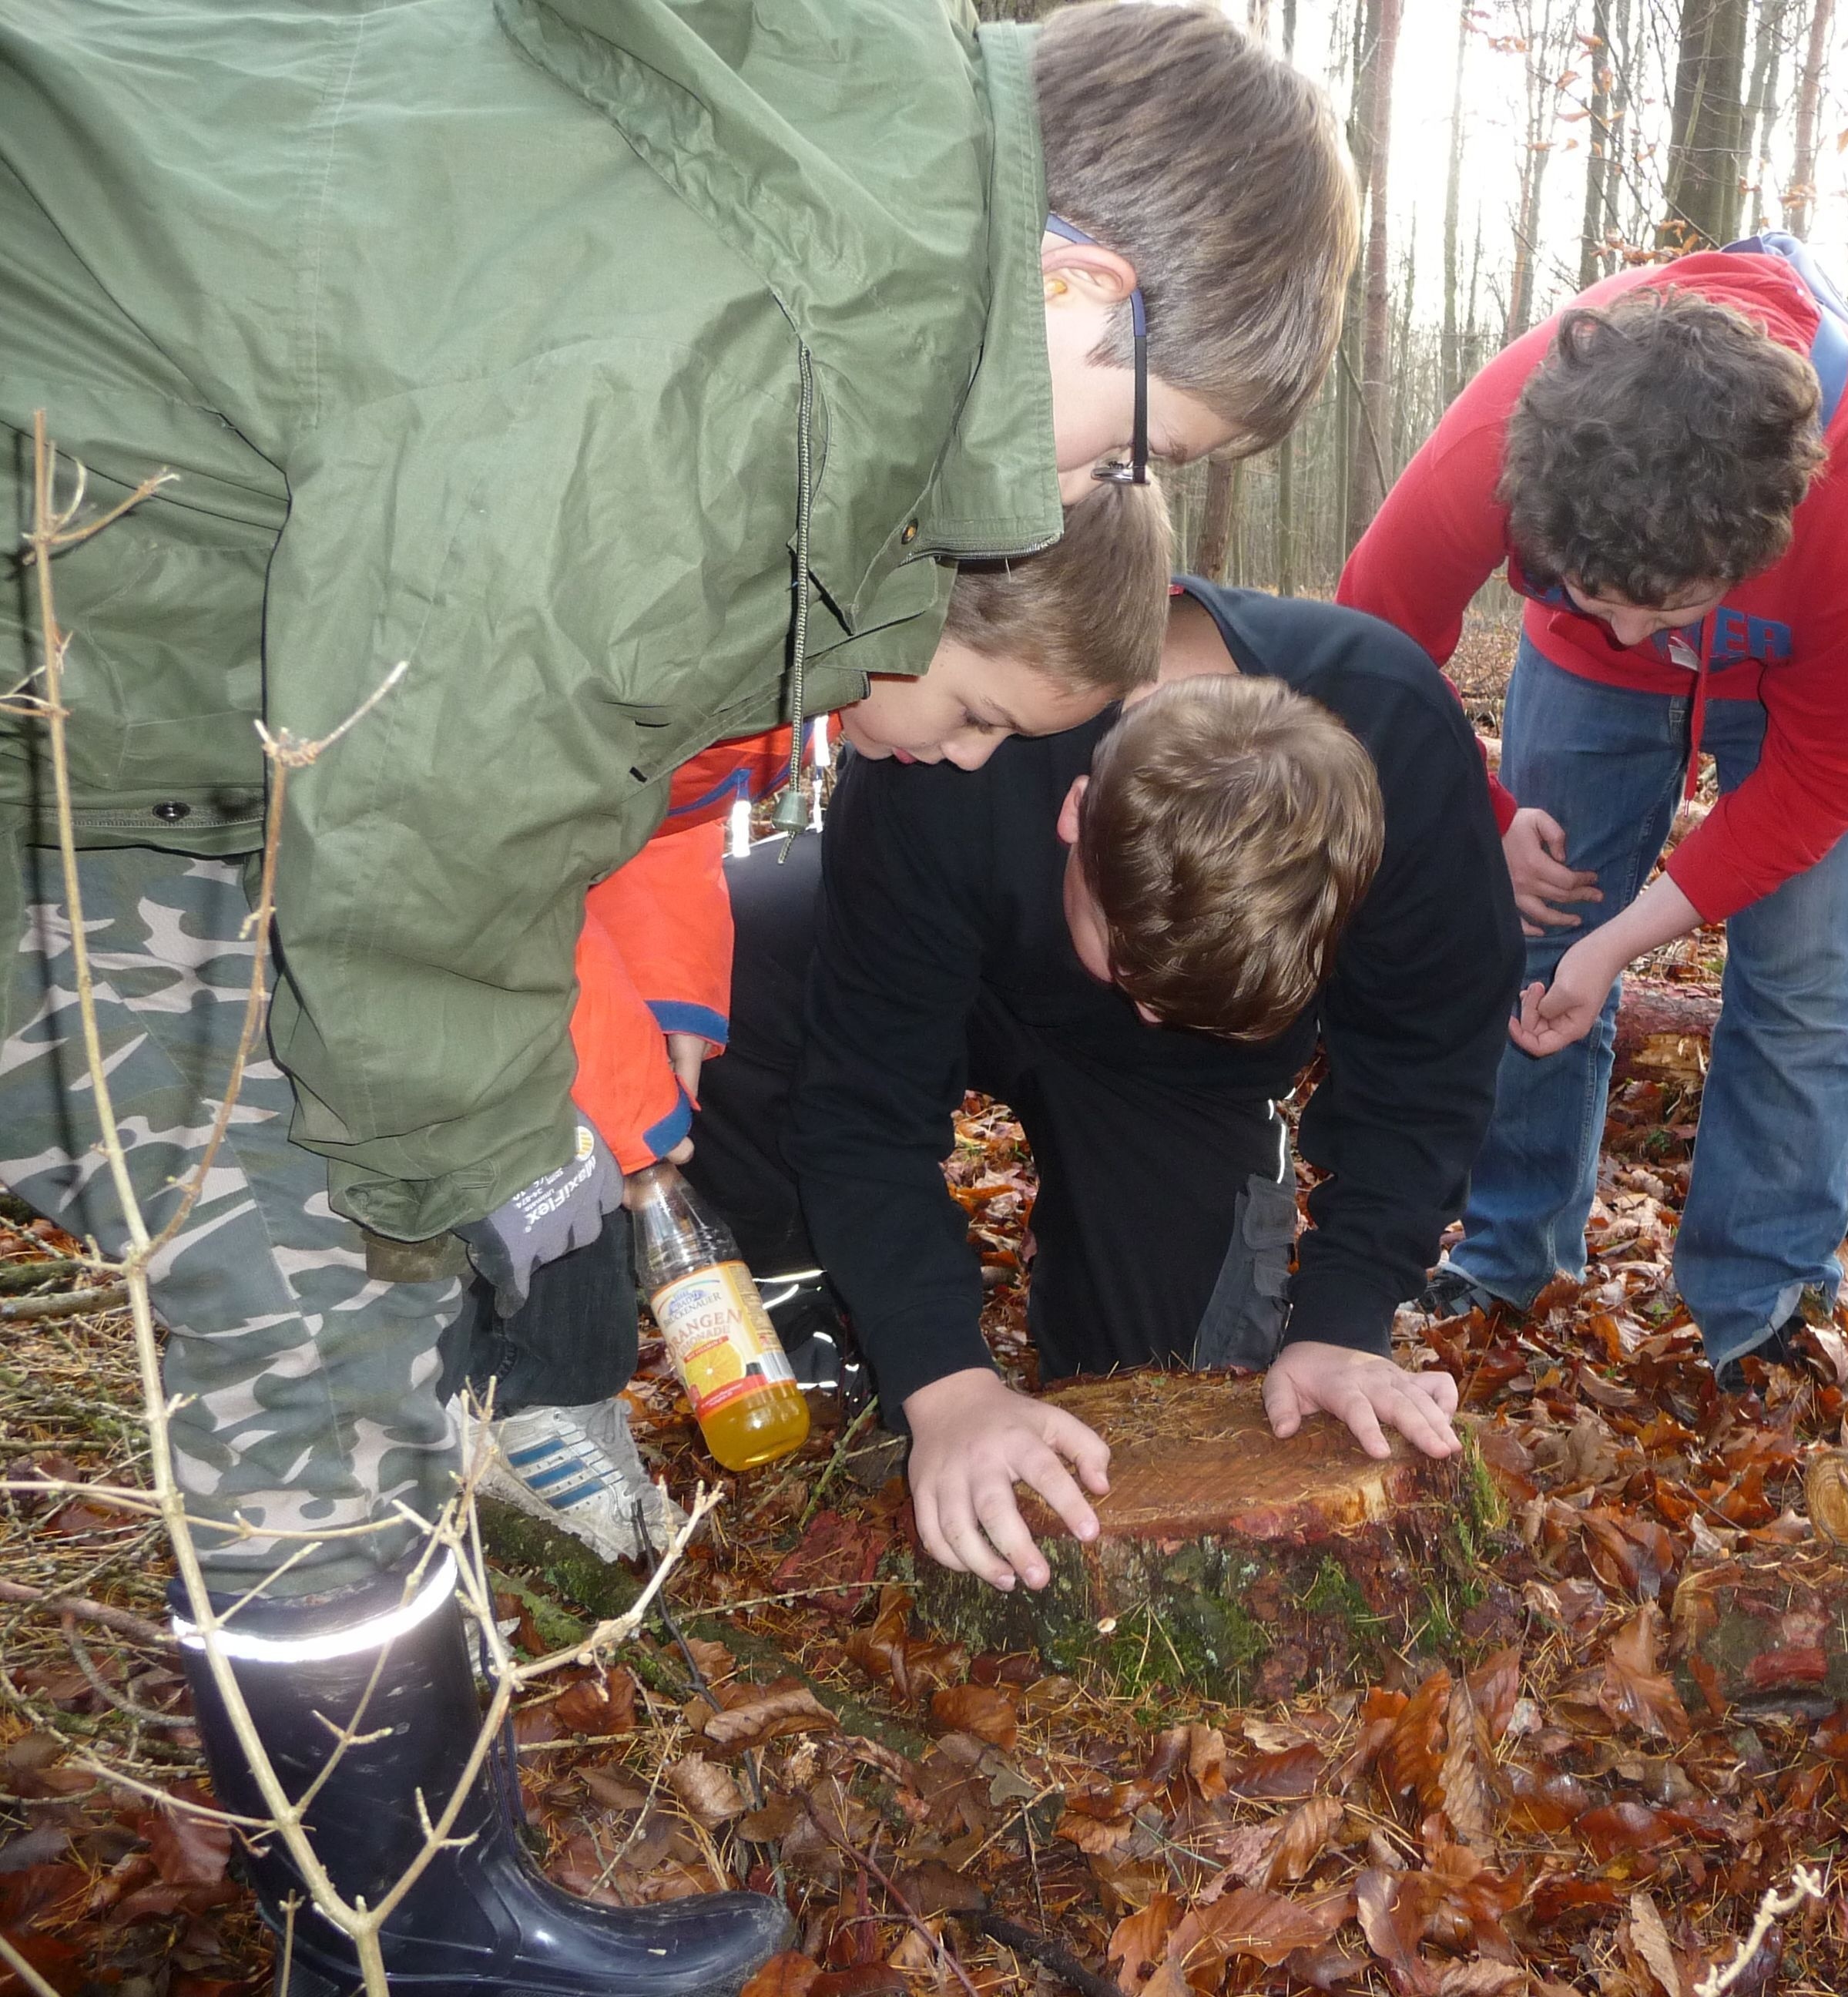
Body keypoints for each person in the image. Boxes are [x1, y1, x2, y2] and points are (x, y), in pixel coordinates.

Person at [0, 0, 1353, 1986]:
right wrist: (479, 1158)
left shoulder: (809, 246)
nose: (1094, 488)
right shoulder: (725, 352)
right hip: (97, 705)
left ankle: (414, 1904)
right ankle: (409, 1928)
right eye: (1139, 442)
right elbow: (435, 795)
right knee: (327, 1273)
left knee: (321, 1268)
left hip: (113, 720)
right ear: (1079, 290)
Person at [716, 582, 1522, 1593]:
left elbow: (1428, 1070)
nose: (1142, 1013)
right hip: (960, 974)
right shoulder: (965, 738)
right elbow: (863, 1103)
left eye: (1186, 1003)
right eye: (1131, 973)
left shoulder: (1398, 734)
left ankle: (1127, 1226)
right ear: (1075, 811)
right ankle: (817, 1310)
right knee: (733, 959)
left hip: (1181, 1098)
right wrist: (945, 1384)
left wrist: (1343, 1320)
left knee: (1154, 1406)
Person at [454, 480, 1173, 1563]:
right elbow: (512, 868)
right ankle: (519, 1400)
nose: (975, 759)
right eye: (976, 715)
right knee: (554, 1149)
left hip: (531, 911)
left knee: (601, 1133)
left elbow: (662, 817)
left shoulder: (803, 687)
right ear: (904, 598)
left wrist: (671, 981)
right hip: (427, 901)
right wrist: (625, 1090)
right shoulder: (696, 634)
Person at [1337, 237, 1848, 1384]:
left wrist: (1625, 942)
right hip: (1580, 682)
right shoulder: (1502, 434)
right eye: (1592, 595)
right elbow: (1371, 643)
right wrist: (1484, 808)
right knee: (1536, 926)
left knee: (1803, 973)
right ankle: (1511, 1253)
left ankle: (1763, 1301)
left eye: (1661, 612)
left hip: (1798, 664)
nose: (1631, 635)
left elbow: (1829, 777)